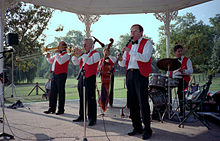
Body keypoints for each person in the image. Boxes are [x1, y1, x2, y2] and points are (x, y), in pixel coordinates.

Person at [118, 24, 153, 140]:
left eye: (134, 31)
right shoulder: (129, 45)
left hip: (140, 74)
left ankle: (147, 129)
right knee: (132, 103)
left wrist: (130, 51)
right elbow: (125, 64)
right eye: (131, 31)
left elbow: (145, 58)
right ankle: (137, 127)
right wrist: (120, 59)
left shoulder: (147, 43)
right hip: (130, 74)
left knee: (143, 102)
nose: (132, 33)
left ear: (141, 32)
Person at [72, 38, 100, 126]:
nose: (83, 46)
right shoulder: (84, 54)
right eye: (83, 44)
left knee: (90, 98)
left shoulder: (96, 54)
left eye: (85, 44)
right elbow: (76, 63)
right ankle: (82, 116)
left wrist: (82, 54)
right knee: (82, 97)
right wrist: (74, 55)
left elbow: (90, 61)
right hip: (81, 77)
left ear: (92, 45)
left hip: (90, 78)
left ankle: (92, 118)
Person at [44, 41, 70, 115]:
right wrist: (48, 57)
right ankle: (51, 108)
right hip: (54, 74)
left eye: (59, 46)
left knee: (61, 92)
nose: (57, 47)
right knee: (53, 92)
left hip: (61, 75)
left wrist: (56, 53)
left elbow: (60, 62)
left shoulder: (67, 55)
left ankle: (61, 109)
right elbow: (51, 61)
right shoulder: (58, 54)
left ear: (64, 47)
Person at [169, 44, 193, 117]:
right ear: (175, 52)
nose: (180, 53)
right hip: (174, 79)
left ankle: (182, 112)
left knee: (180, 92)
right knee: (167, 90)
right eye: (178, 51)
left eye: (181, 51)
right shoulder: (171, 61)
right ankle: (169, 109)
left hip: (183, 79)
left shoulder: (187, 60)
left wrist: (184, 71)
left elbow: (191, 70)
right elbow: (169, 71)